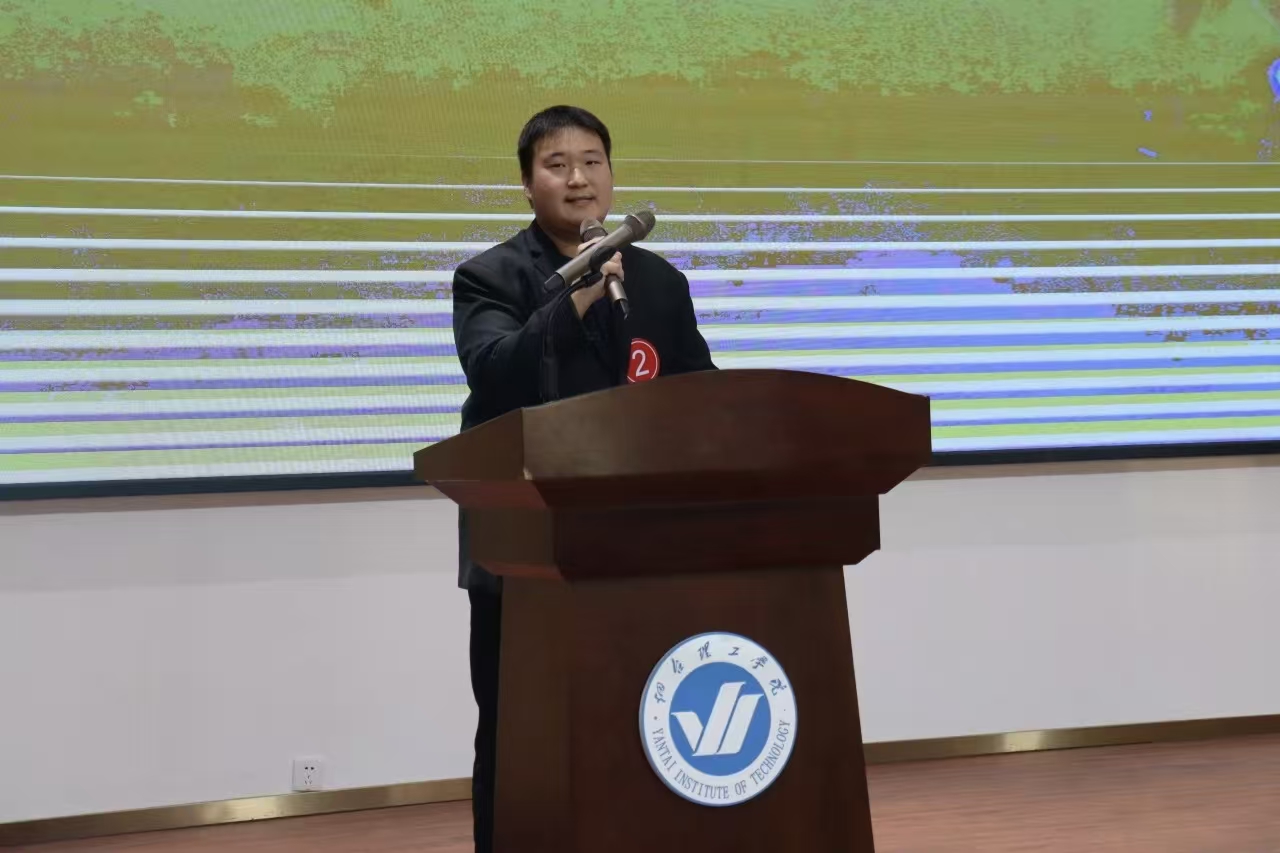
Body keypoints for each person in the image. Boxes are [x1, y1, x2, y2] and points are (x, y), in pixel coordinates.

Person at [450, 105, 715, 852]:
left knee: (636, 721)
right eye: (557, 164)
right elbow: (495, 374)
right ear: (527, 183)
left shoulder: (659, 281)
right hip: (524, 549)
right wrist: (578, 297)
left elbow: (701, 394)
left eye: (592, 161)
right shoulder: (490, 277)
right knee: (518, 727)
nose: (578, 178)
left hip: (637, 546)